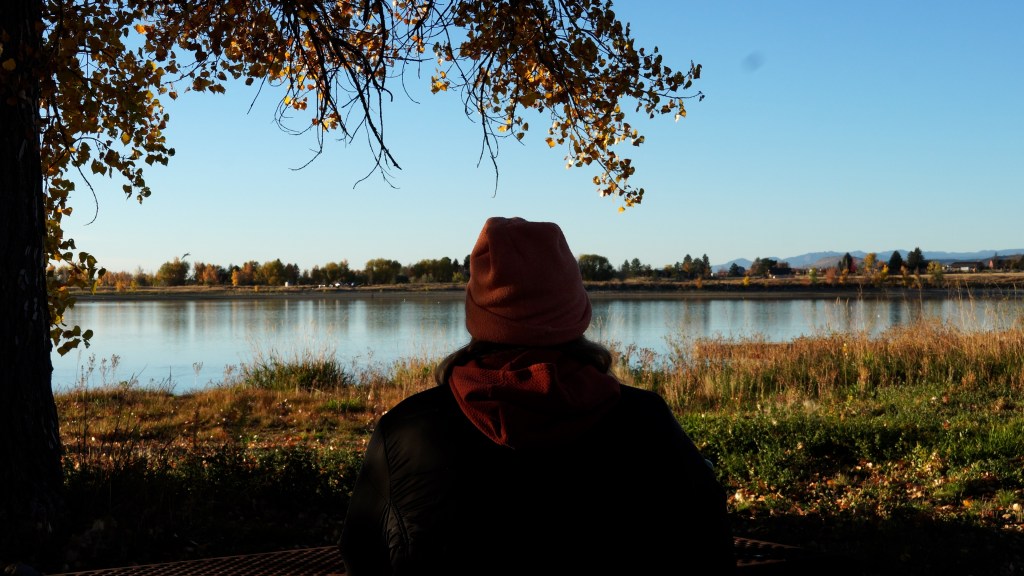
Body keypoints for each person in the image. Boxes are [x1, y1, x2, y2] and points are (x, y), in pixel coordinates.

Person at [339, 216, 735, 575]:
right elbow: (710, 549)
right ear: (575, 310)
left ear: (478, 315)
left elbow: (362, 555)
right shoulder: (646, 421)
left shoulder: (407, 431)